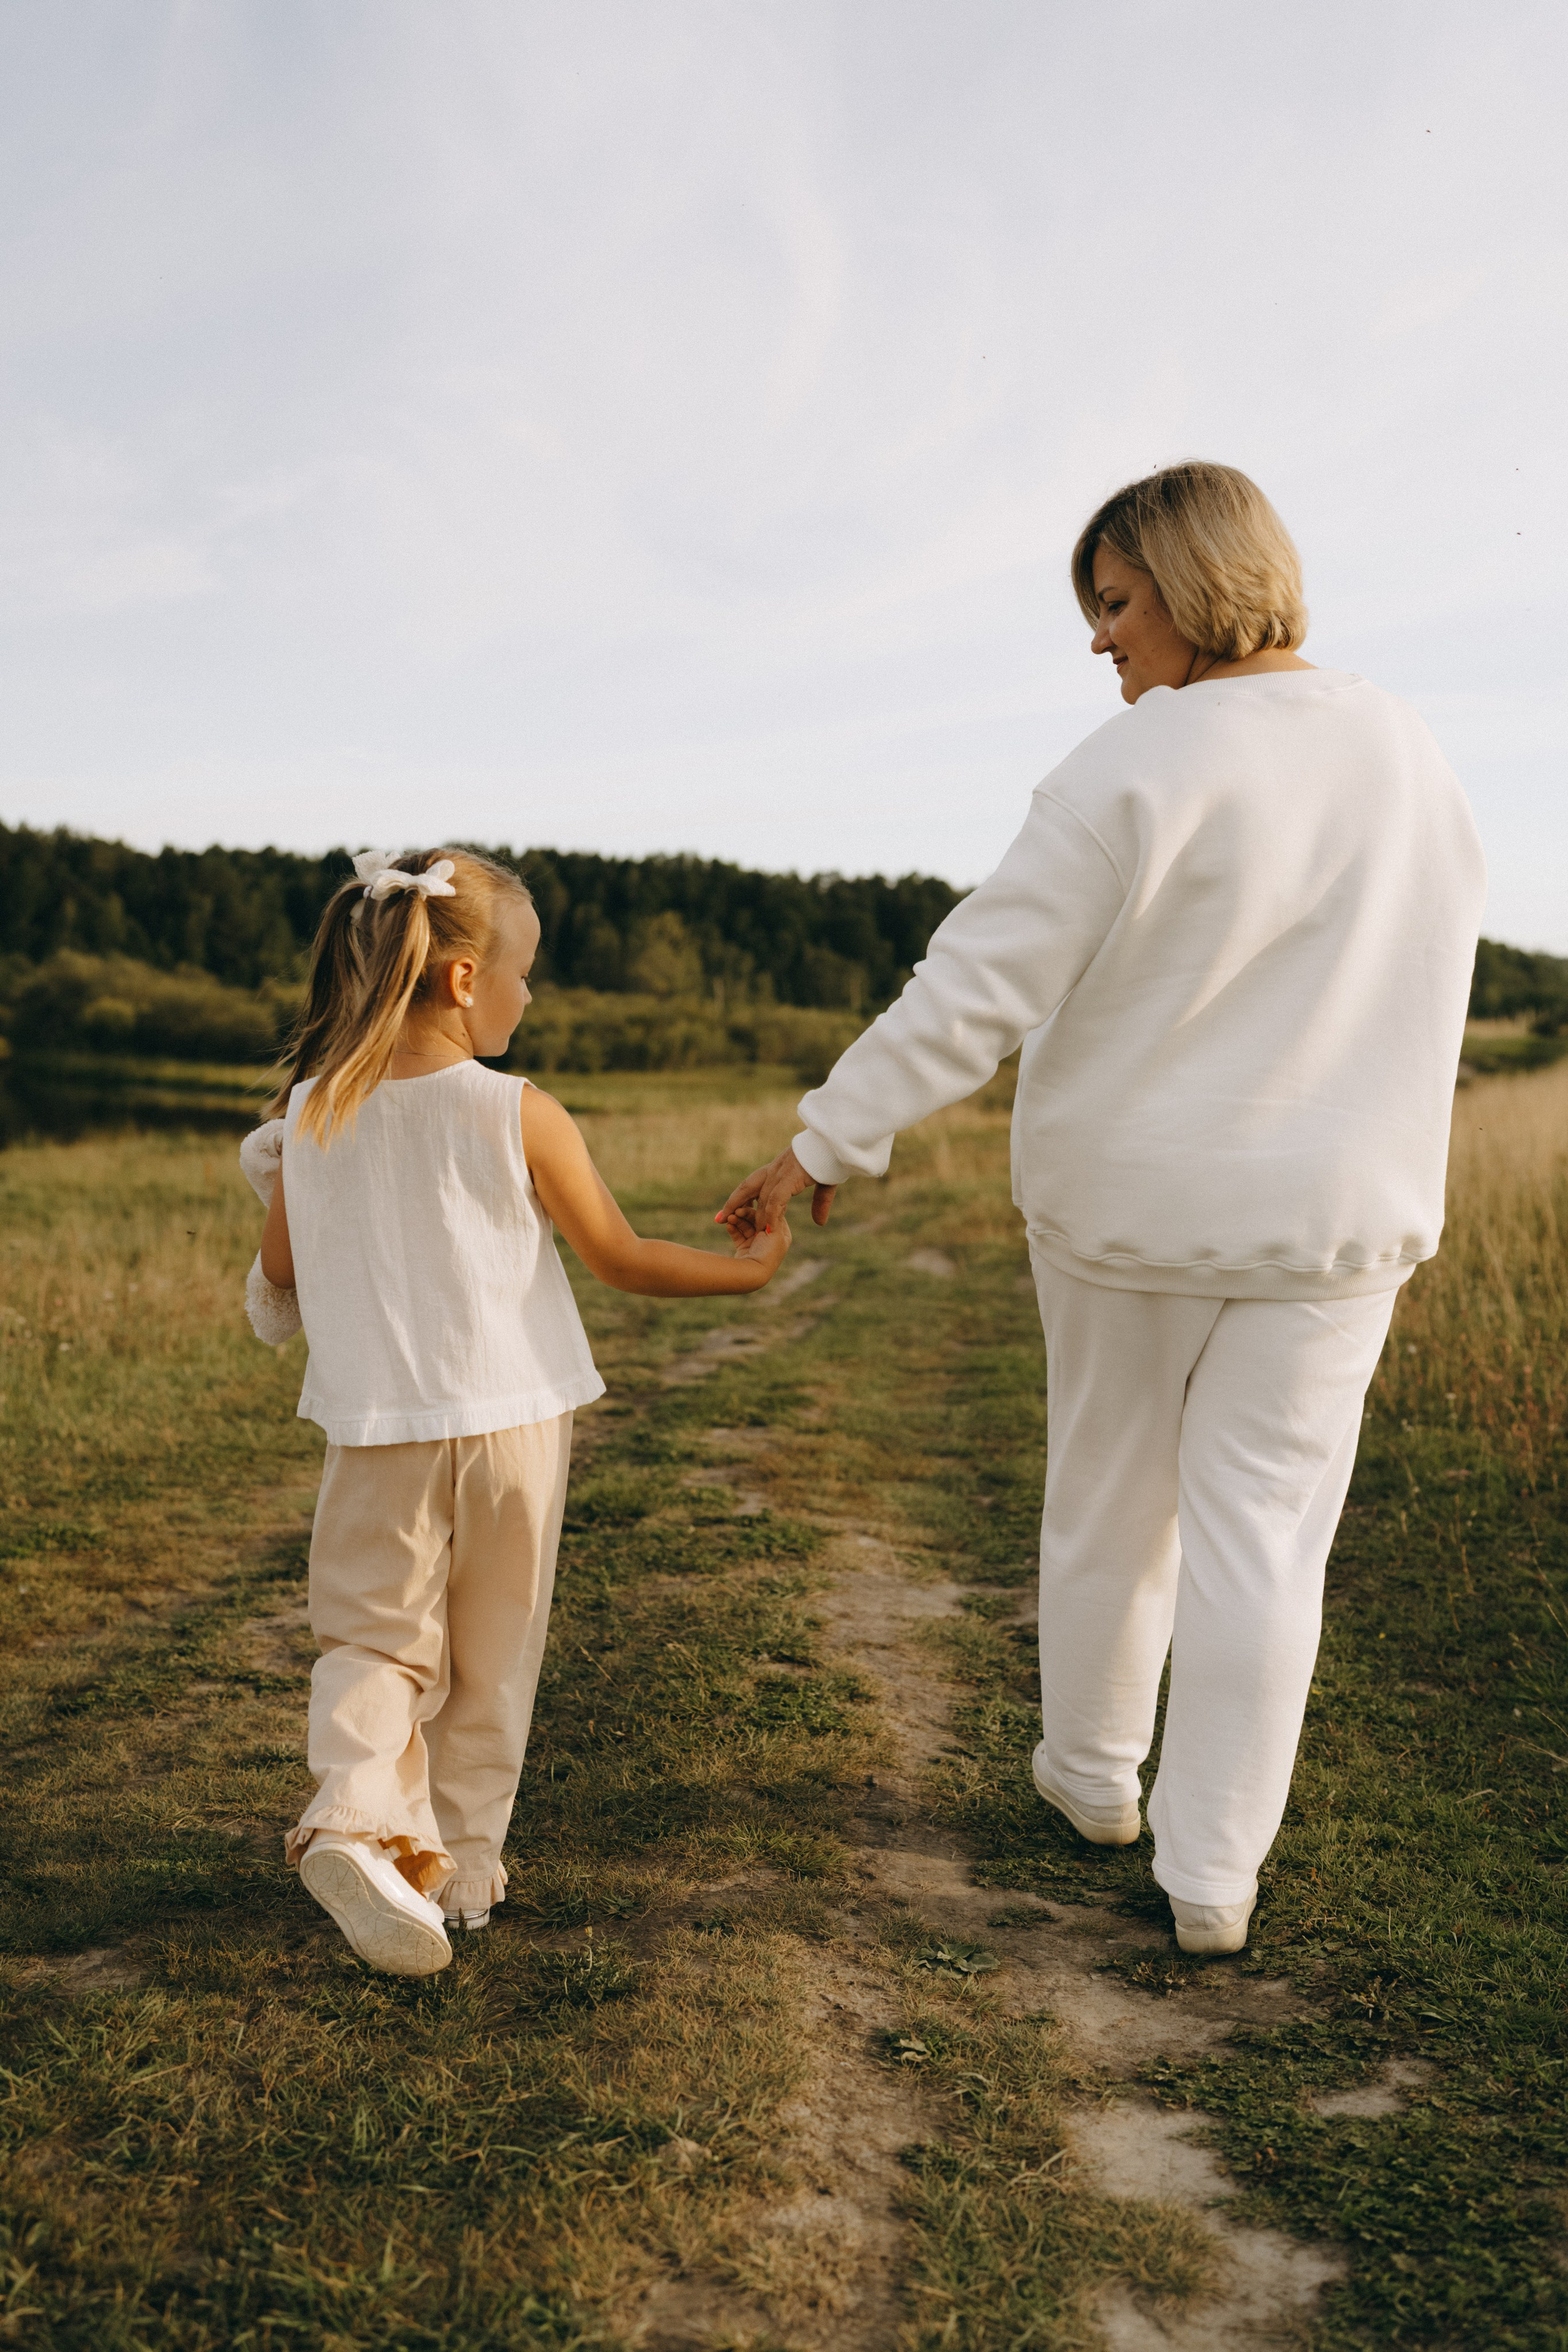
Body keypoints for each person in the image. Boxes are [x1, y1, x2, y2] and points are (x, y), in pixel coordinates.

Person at [720, 461, 1485, 1956]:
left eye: (1117, 602)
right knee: (1265, 1542)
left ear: (1197, 585)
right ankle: (1212, 1882)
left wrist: (823, 1143)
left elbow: (973, 989)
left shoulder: (1129, 767)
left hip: (1130, 1217)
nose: (1099, 639)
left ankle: (1087, 1779)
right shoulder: (1405, 746)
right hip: (1337, 1221)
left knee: (1110, 1503)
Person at [246, 846, 789, 1977]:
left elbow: (281, 1280)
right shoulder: (518, 1110)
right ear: (463, 982)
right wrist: (748, 1274)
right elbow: (621, 1258)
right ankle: (463, 1872)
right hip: (514, 1425)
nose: (527, 995)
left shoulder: (310, 1114)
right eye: (523, 974)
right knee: (496, 1650)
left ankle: (355, 1821)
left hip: (378, 1433)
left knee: (373, 1642)